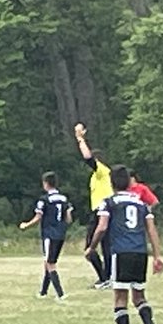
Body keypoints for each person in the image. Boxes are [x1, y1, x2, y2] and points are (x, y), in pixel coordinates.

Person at [86, 165, 163, 324]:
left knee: (120, 298)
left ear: (112, 183)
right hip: (140, 253)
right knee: (139, 296)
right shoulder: (141, 204)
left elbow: (102, 227)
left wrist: (92, 247)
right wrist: (157, 256)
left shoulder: (109, 203)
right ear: (130, 182)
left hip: (121, 253)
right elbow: (151, 230)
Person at [18, 171, 73, 300]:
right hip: (61, 234)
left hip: (49, 234)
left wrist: (26, 225)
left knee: (50, 264)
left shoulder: (44, 199)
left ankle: (61, 294)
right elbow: (69, 218)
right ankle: (43, 292)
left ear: (45, 184)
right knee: (48, 262)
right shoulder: (64, 199)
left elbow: (38, 217)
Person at [75, 123, 114, 288]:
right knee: (103, 247)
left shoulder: (102, 171)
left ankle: (106, 278)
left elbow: (87, 158)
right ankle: (106, 278)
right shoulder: (97, 176)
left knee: (92, 248)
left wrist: (80, 139)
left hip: (102, 211)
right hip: (100, 211)